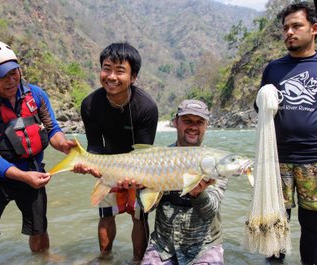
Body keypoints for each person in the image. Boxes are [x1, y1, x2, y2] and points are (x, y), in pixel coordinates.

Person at [0, 40, 77, 265]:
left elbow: (53, 129)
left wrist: (64, 145)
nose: (11, 80)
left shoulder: (35, 95)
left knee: (38, 228)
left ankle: (41, 261)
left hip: (33, 172)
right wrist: (21, 176)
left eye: (13, 72)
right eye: (1, 76)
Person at [258, 2, 317, 264]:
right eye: (285, 27)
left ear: (314, 28)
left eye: (296, 25)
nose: (289, 32)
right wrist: (264, 95)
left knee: (311, 226)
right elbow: (259, 107)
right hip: (276, 159)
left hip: (316, 159)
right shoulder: (273, 68)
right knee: (275, 222)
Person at [74, 42, 158, 262]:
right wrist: (90, 165)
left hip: (139, 168)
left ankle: (137, 260)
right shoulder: (90, 104)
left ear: (133, 77)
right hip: (108, 165)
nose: (111, 76)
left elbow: (144, 152)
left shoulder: (147, 107)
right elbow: (94, 145)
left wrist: (135, 178)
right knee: (106, 215)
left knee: (139, 217)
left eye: (120, 71)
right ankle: (105, 258)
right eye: (106, 68)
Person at [139, 99, 227, 264]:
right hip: (163, 246)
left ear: (206, 125)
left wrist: (197, 194)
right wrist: (139, 188)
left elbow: (210, 211)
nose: (193, 126)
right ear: (175, 122)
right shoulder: (156, 159)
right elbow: (145, 207)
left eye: (199, 122)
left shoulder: (216, 161)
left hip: (204, 247)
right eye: (187, 121)